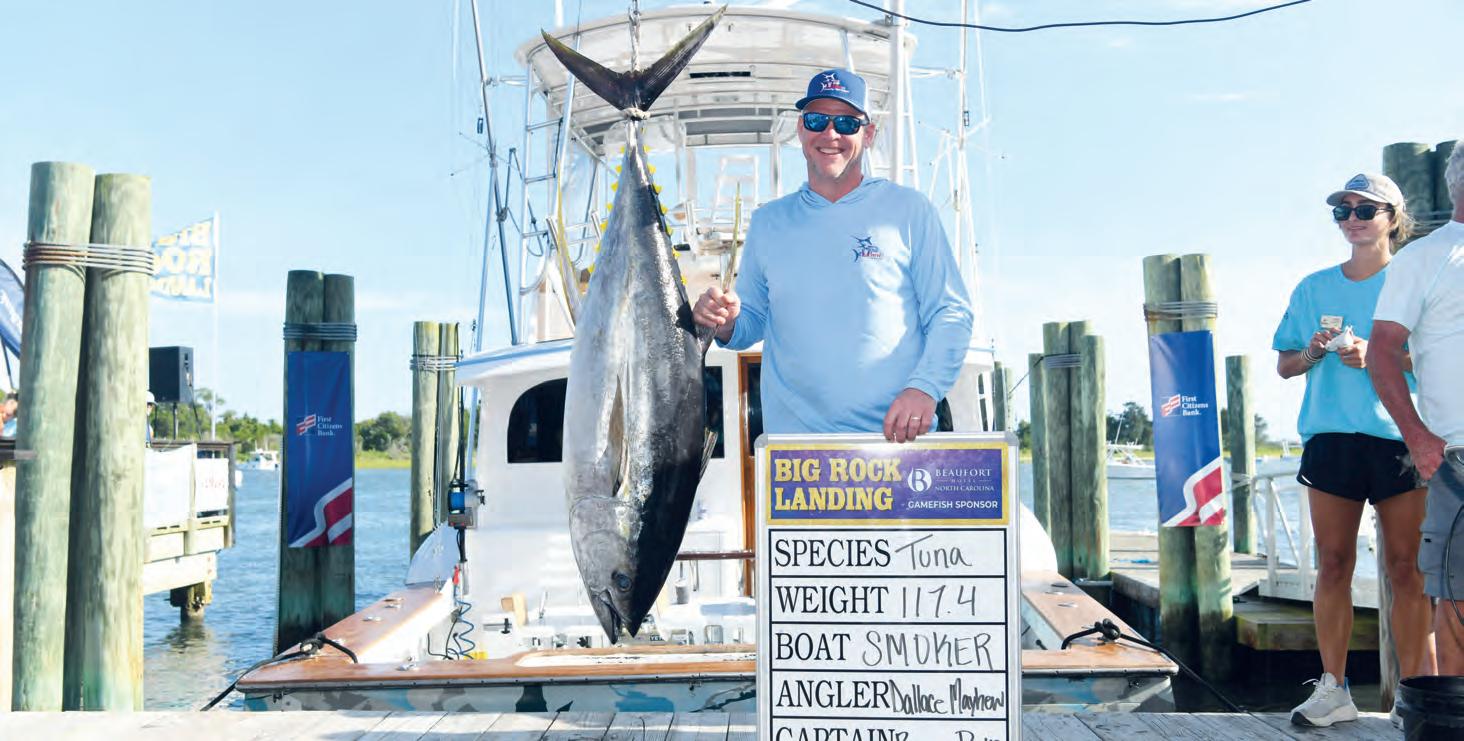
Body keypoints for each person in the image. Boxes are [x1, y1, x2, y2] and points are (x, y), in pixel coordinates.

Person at [690, 69, 973, 443]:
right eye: (817, 120)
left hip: (897, 445)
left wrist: (924, 388)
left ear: (868, 134)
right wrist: (724, 322)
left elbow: (951, 312)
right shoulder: (767, 222)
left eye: (846, 123)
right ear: (801, 130)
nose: (831, 134)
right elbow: (749, 325)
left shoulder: (909, 211)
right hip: (797, 455)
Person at [1273, 173, 1434, 728]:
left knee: (1406, 569)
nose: (1352, 219)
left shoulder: (1417, 281)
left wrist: (1379, 357)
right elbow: (1285, 365)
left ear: (1393, 218)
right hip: (1332, 440)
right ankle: (1334, 689)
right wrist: (1314, 353)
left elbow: (1437, 363)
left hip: (1400, 439)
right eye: (1343, 211)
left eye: (1365, 209)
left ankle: (1414, 695)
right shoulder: (1313, 287)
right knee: (1334, 564)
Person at [1370, 143, 1464, 675]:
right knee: (1457, 604)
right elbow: (1382, 351)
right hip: (1458, 461)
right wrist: (1418, 438)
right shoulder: (1424, 257)